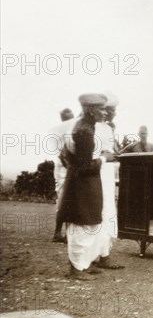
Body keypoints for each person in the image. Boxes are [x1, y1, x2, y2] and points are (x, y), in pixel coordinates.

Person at [57, 94, 121, 281]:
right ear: (90, 110)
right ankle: (75, 269)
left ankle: (82, 264)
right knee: (82, 225)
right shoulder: (84, 131)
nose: (104, 112)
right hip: (83, 185)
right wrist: (103, 158)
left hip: (85, 184)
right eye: (101, 109)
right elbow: (85, 167)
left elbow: (75, 158)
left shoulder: (85, 127)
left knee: (89, 223)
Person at [96, 93, 120, 249]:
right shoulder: (94, 127)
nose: (114, 113)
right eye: (112, 110)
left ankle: (104, 254)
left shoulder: (108, 128)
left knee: (109, 210)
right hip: (98, 173)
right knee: (100, 210)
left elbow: (115, 150)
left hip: (108, 175)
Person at [49, 108, 76, 243]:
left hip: (65, 166)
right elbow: (62, 155)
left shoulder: (67, 132)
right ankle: (58, 233)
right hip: (62, 167)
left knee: (68, 200)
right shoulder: (62, 133)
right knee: (63, 200)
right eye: (70, 118)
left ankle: (64, 233)